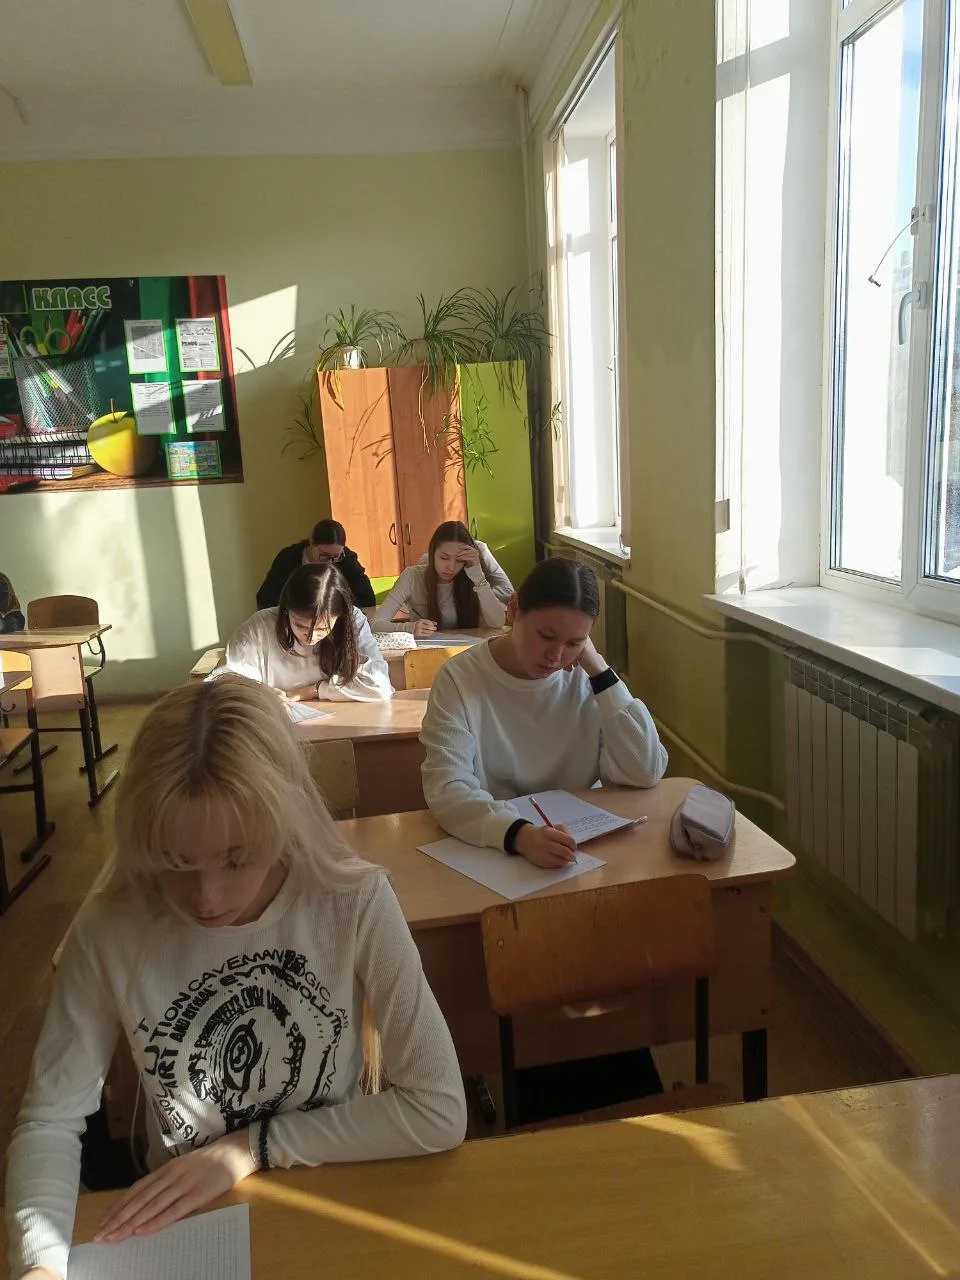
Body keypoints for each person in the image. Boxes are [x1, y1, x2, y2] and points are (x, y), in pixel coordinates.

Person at [6, 675, 466, 1280]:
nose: (206, 897)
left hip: (336, 1186)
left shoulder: (352, 900)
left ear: (287, 822)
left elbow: (439, 1108)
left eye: (236, 859)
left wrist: (250, 1148)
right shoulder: (109, 929)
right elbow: (50, 1120)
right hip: (185, 1223)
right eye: (175, 863)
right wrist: (39, 1265)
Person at [420, 557, 667, 866]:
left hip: (582, 847)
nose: (556, 656)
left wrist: (600, 670)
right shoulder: (459, 679)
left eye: (575, 642)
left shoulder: (590, 679)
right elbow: (447, 788)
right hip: (498, 847)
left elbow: (645, 771)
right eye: (546, 636)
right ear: (514, 609)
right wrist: (518, 835)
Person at [215, 564, 392, 702]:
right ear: (286, 611)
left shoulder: (351, 620)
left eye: (322, 629)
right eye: (300, 626)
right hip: (275, 720)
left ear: (339, 617)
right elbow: (226, 685)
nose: (311, 637)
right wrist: (262, 695)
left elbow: (379, 685)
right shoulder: (259, 627)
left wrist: (313, 690)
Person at [370, 521, 513, 637]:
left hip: (467, 651)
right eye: (444, 558)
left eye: (459, 560)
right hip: (427, 652)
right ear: (432, 553)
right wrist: (410, 628)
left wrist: (478, 576)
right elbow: (375, 624)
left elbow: (497, 623)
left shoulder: (470, 576)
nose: (451, 567)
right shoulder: (412, 576)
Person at [257, 519, 375, 611]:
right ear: (311, 543)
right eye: (324, 555)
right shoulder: (288, 558)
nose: (330, 562)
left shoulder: (346, 559)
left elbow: (367, 598)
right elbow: (266, 599)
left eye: (336, 557)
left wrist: (338, 609)